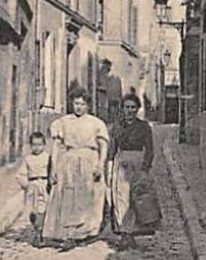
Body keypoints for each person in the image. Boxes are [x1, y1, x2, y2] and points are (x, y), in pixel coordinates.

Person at [43, 87, 109, 251]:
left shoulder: (95, 123)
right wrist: (54, 168)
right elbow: (57, 146)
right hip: (69, 162)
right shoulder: (63, 122)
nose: (79, 107)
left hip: (89, 161)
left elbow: (103, 144)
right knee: (68, 196)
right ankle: (68, 233)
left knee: (88, 195)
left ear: (87, 105)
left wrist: (101, 164)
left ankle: (87, 231)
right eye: (76, 103)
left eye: (82, 104)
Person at [107, 93, 160, 248]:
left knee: (137, 198)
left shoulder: (144, 127)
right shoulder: (116, 127)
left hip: (138, 162)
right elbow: (112, 149)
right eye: (126, 107)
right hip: (122, 162)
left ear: (137, 109)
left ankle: (134, 232)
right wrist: (110, 170)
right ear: (122, 109)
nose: (130, 110)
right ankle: (124, 233)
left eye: (133, 107)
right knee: (121, 198)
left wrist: (145, 169)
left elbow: (150, 150)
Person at [17, 130, 51, 245]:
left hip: (44, 184)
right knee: (32, 212)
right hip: (32, 186)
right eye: (34, 145)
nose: (37, 148)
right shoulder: (28, 159)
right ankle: (37, 227)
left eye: (39, 145)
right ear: (30, 145)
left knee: (42, 209)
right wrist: (26, 184)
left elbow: (53, 172)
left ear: (44, 145)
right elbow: (21, 174)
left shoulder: (48, 158)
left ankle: (40, 234)